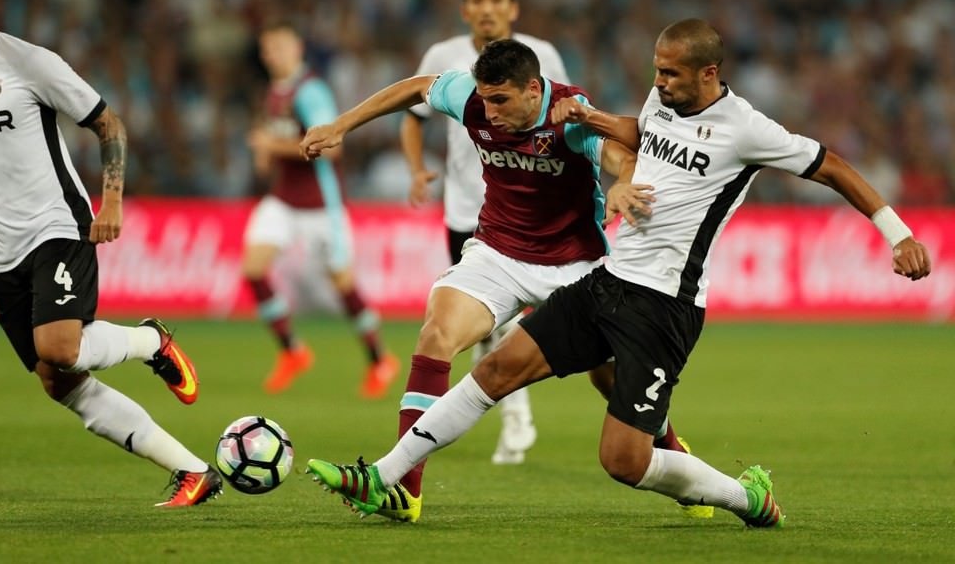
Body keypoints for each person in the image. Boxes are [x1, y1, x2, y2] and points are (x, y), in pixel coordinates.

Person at [304, 19, 933, 527]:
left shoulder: (747, 130)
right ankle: (384, 476)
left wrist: (896, 232)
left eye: (669, 71)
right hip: (605, 281)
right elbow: (643, 133)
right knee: (495, 369)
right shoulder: (660, 101)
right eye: (655, 69)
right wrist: (603, 125)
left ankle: (746, 494)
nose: (656, 81)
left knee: (624, 459)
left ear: (709, 73)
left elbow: (830, 166)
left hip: (663, 306)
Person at [300, 38, 706, 523]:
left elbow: (620, 152)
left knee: (613, 381)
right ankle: (404, 492)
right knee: (436, 335)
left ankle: (681, 468)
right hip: (498, 253)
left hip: (575, 266)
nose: (489, 113)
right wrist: (339, 125)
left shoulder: (567, 114)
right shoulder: (470, 97)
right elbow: (414, 89)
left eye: (501, 101)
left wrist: (621, 182)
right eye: (485, 99)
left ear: (534, 90)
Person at [0, 0, 222, 507]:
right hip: (1, 251)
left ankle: (149, 340)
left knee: (60, 348)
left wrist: (111, 198)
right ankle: (192, 470)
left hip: (59, 226)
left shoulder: (33, 63)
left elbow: (107, 122)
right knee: (56, 380)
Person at [400, 0, 570, 466]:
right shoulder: (444, 56)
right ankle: (515, 420)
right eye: (478, 1)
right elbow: (412, 115)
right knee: (484, 325)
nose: (487, 9)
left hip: (536, 221)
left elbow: (567, 120)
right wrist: (415, 168)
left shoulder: (543, 56)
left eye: (497, 0)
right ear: (465, 9)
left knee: (540, 327)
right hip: (467, 214)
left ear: (513, 7)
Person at [243, 20, 399, 398]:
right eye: (267, 48)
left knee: (343, 283)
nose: (272, 54)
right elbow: (279, 139)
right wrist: (266, 154)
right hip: (283, 199)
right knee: (253, 269)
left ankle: (380, 359)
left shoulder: (310, 91)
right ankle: (293, 351)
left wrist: (270, 146)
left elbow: (332, 148)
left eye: (280, 46)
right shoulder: (275, 92)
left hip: (320, 205)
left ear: (297, 49)